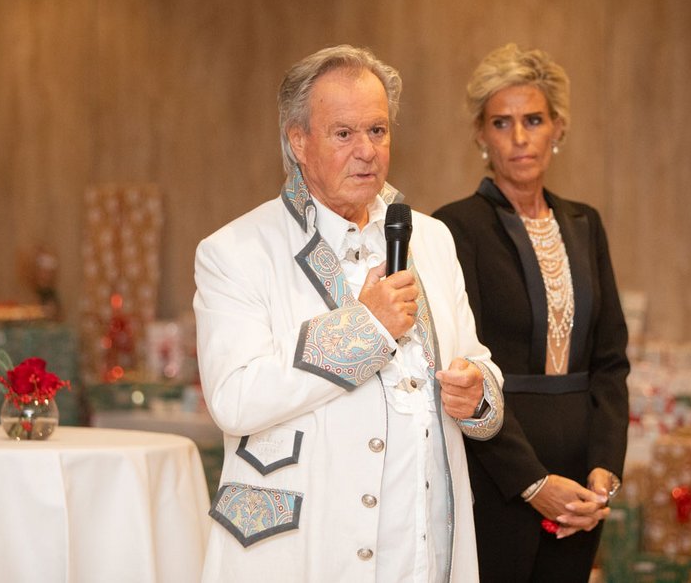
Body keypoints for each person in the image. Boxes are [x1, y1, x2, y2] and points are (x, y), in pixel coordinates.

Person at [193, 44, 504, 582]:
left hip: (423, 547)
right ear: (299, 141)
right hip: (306, 552)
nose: (367, 152)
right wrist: (367, 327)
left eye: (378, 131)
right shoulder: (236, 251)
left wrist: (478, 394)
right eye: (344, 134)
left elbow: (479, 361)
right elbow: (234, 399)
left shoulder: (430, 238)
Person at [433, 44, 630, 582]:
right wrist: (532, 484)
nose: (519, 138)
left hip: (583, 479)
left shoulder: (585, 223)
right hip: (497, 472)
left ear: (558, 127)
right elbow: (458, 374)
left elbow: (611, 362)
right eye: (502, 122)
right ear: (480, 134)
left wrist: (604, 472)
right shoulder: (452, 229)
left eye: (534, 120)